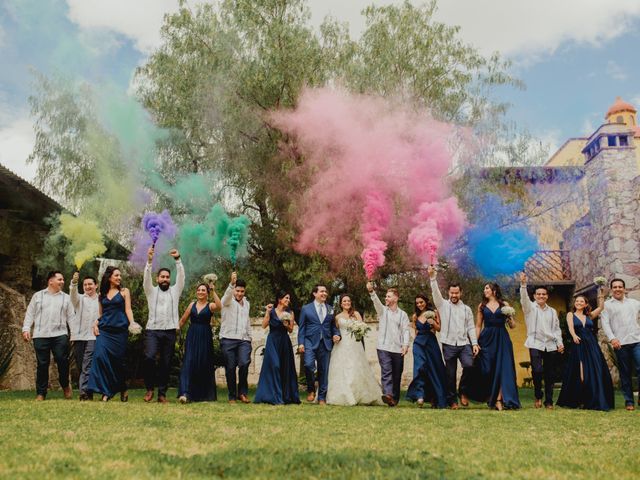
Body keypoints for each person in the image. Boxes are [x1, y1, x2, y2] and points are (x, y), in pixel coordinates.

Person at [463, 283, 520, 410]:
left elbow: (513, 326)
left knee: (503, 368)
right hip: (487, 338)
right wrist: (475, 343)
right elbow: (478, 325)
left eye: (487, 288)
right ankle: (488, 396)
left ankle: (499, 399)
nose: (485, 290)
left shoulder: (504, 305)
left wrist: (509, 316)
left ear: (494, 290)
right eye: (484, 288)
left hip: (502, 339)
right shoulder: (481, 306)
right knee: (487, 368)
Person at [428, 266, 478, 409]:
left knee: (469, 365)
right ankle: (452, 401)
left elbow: (471, 327)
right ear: (448, 293)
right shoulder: (443, 305)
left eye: (456, 293)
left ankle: (463, 391)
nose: (454, 295)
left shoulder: (467, 309)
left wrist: (474, 343)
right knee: (450, 374)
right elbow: (435, 293)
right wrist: (432, 278)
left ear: (460, 293)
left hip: (464, 344)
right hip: (448, 344)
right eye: (452, 293)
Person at [22, 271, 75, 401]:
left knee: (62, 361)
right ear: (50, 281)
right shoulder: (38, 296)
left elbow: (71, 318)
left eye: (63, 280)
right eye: (60, 279)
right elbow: (30, 313)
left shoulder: (66, 298)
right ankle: (41, 393)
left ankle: (65, 386)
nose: (62, 282)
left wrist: (74, 334)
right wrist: (26, 328)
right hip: (41, 335)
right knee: (42, 364)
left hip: (60, 334)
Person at [557, 292, 614, 411]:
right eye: (577, 301)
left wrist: (601, 295)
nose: (578, 303)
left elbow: (601, 307)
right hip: (578, 344)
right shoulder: (570, 315)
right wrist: (573, 336)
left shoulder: (589, 316)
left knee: (594, 371)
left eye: (581, 301)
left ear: (585, 304)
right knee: (581, 373)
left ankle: (589, 400)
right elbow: (570, 327)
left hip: (591, 345)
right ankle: (579, 399)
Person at [142, 246, 185, 403]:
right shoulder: (150, 291)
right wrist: (149, 261)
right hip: (152, 331)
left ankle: (162, 394)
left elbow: (181, 277)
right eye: (162, 277)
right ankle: (149, 389)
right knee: (149, 358)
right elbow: (146, 278)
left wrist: (178, 260)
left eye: (167, 277)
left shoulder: (175, 291)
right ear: (157, 279)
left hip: (170, 332)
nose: (165, 279)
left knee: (166, 363)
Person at [88, 267, 137, 402]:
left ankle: (122, 387)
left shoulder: (124, 292)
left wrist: (132, 323)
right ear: (109, 277)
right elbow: (101, 314)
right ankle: (106, 391)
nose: (119, 278)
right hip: (104, 330)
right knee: (99, 357)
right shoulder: (101, 295)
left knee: (116, 362)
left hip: (119, 331)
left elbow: (128, 309)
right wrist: (95, 323)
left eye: (120, 275)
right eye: (116, 275)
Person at [326, 294, 382, 406]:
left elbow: (362, 327)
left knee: (357, 368)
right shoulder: (337, 317)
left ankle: (360, 395)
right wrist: (335, 337)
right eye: (344, 301)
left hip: (355, 345)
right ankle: (344, 395)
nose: (347, 303)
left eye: (349, 301)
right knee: (342, 369)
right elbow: (335, 331)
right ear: (341, 303)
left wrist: (359, 330)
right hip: (341, 346)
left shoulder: (356, 314)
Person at [519, 272, 564, 409]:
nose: (541, 296)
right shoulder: (530, 308)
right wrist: (523, 284)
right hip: (535, 343)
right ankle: (538, 395)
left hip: (550, 345)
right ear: (535, 296)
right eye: (538, 294)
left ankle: (549, 401)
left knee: (550, 374)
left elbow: (557, 329)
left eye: (543, 294)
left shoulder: (552, 311)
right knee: (537, 371)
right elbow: (524, 299)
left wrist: (560, 343)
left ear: (547, 296)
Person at [366, 282, 410, 407]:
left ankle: (393, 398)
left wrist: (405, 345)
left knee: (397, 374)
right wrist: (371, 291)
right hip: (383, 347)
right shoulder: (382, 311)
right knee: (386, 371)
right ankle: (388, 394)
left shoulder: (403, 315)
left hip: (398, 349)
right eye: (385, 296)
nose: (386, 298)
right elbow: (376, 302)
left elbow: (406, 330)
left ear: (396, 298)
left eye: (389, 296)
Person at [177, 283, 222, 403]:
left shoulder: (210, 305)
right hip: (192, 336)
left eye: (203, 290)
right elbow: (182, 320)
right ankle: (185, 393)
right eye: (199, 290)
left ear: (207, 293)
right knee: (189, 362)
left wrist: (213, 291)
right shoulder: (191, 304)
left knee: (203, 362)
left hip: (205, 336)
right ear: (196, 292)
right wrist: (174, 331)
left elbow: (219, 306)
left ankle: (204, 395)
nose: (201, 292)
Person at [600, 278, 640, 411]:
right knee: (625, 373)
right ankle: (629, 401)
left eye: (620, 287)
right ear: (611, 289)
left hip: (636, 341)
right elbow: (605, 323)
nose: (617, 289)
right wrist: (612, 339)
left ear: (624, 289)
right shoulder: (607, 305)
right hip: (620, 344)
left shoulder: (634, 303)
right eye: (615, 287)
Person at [298, 284, 341, 405]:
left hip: (326, 343)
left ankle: (322, 397)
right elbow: (302, 328)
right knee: (308, 364)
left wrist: (336, 334)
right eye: (322, 291)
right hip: (309, 341)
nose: (324, 294)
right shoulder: (306, 309)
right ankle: (311, 389)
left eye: (325, 292)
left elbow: (333, 326)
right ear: (315, 293)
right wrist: (301, 343)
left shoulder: (330, 309)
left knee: (324, 371)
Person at [254, 291, 300, 405]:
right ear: (279, 299)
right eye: (286, 298)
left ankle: (285, 396)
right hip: (273, 341)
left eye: (289, 298)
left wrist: (286, 325)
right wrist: (267, 312)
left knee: (284, 367)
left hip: (284, 341)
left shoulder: (290, 312)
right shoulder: (272, 310)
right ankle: (273, 395)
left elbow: (291, 330)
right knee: (275, 365)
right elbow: (264, 325)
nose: (288, 300)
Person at [406, 294, 448, 408]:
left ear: (426, 302)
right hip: (419, 344)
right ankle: (420, 395)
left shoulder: (434, 312)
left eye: (421, 302)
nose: (419, 304)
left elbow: (439, 329)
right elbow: (416, 332)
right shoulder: (415, 316)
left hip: (431, 343)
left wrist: (433, 323)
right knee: (420, 367)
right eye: (417, 303)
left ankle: (435, 397)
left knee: (434, 369)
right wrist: (415, 344)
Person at [219, 272, 252, 404]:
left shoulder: (247, 303)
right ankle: (232, 396)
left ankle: (242, 393)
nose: (239, 293)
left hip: (244, 340)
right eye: (237, 290)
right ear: (234, 290)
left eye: (242, 291)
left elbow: (247, 321)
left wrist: (249, 337)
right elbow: (225, 298)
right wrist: (231, 284)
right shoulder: (227, 301)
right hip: (228, 339)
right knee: (231, 368)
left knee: (244, 363)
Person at [69, 272, 99, 401]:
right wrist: (74, 283)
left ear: (96, 285)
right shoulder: (79, 299)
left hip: (93, 337)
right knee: (82, 366)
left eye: (90, 284)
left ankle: (83, 393)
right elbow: (73, 294)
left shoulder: (101, 300)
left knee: (87, 365)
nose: (87, 287)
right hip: (78, 336)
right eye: (85, 284)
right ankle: (88, 391)